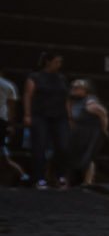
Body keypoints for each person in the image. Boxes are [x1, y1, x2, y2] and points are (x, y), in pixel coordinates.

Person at [24, 50, 69, 189]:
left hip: (59, 115)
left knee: (63, 146)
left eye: (60, 62)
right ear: (48, 61)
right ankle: (39, 178)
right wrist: (27, 115)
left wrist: (70, 116)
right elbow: (28, 96)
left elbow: (66, 98)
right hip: (40, 115)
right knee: (40, 146)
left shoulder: (61, 78)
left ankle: (60, 176)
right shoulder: (35, 77)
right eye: (56, 61)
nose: (59, 64)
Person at [61, 78, 109, 185]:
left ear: (85, 90)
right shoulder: (73, 100)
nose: (74, 90)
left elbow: (103, 113)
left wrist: (104, 129)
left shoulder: (90, 101)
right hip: (79, 133)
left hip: (91, 133)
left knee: (88, 157)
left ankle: (88, 181)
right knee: (75, 156)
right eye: (73, 87)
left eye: (77, 88)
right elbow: (70, 113)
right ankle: (71, 180)